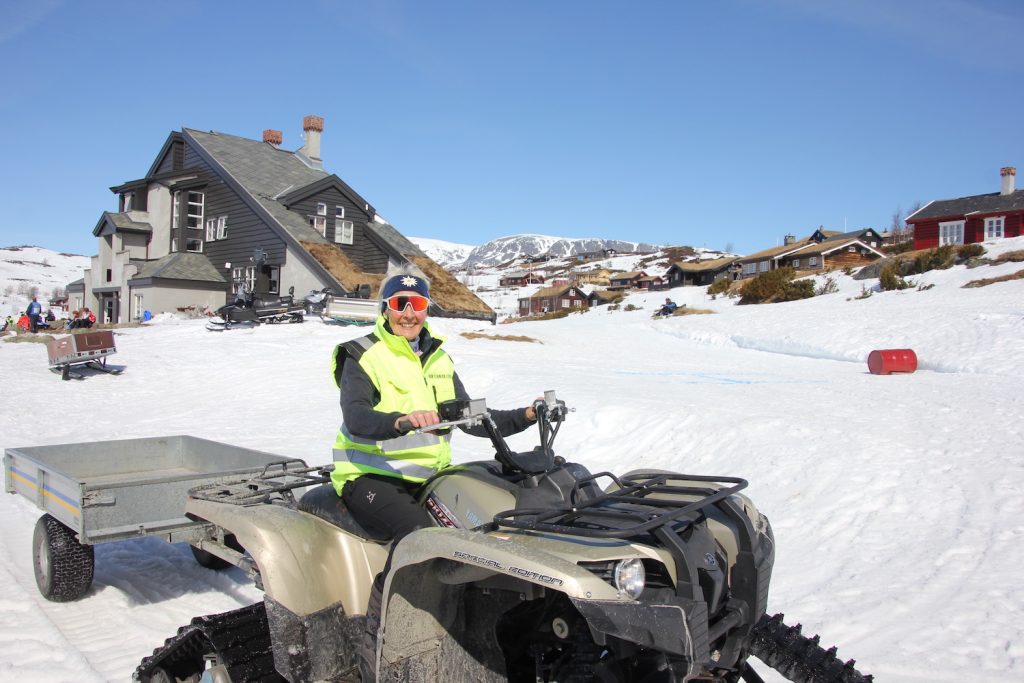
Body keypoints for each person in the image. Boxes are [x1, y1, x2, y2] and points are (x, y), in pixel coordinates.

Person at [330, 270, 538, 679]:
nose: (409, 314)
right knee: (419, 540)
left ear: (427, 309)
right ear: (386, 308)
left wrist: (527, 415)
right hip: (369, 477)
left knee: (487, 523)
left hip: (428, 477)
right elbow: (357, 418)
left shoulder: (438, 357)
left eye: (418, 305)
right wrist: (402, 421)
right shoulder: (362, 354)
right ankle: (379, 644)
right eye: (400, 304)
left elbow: (472, 418)